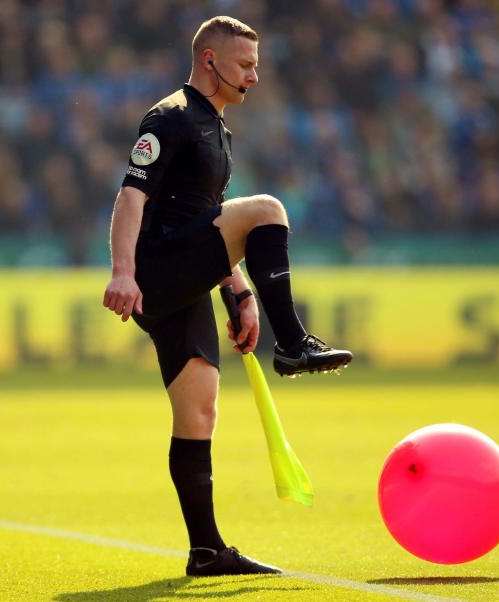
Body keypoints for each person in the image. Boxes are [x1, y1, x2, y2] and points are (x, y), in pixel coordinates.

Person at [101, 16, 352, 577]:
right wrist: (123, 272)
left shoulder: (219, 130)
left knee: (200, 410)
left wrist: (238, 291)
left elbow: (203, 219)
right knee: (267, 210)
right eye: (245, 65)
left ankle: (206, 550)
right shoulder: (169, 117)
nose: (255, 77)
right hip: (156, 270)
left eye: (256, 66)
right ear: (210, 61)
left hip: (181, 280)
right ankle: (294, 345)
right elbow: (130, 198)